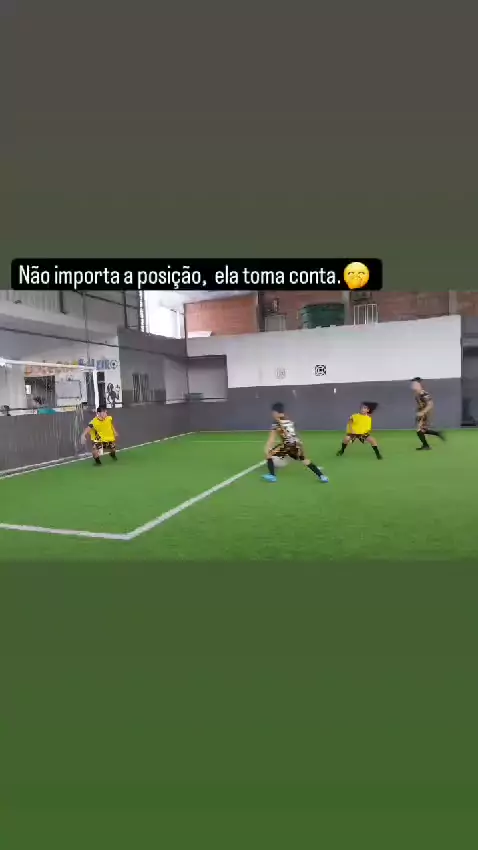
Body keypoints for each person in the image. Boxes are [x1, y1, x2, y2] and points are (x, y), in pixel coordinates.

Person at [263, 402, 329, 483]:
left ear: (275, 412)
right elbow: (294, 433)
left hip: (288, 445)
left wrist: (267, 448)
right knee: (304, 460)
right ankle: (322, 476)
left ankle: (272, 476)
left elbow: (272, 438)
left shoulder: (276, 422)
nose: (272, 414)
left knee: (269, 454)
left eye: (273, 413)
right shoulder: (289, 420)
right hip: (296, 443)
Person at [411, 378, 445, 450]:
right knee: (423, 430)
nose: (413, 386)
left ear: (419, 385)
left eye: (415, 384)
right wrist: (418, 410)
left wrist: (423, 412)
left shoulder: (424, 394)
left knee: (419, 430)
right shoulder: (417, 395)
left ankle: (426, 446)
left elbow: (430, 404)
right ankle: (437, 434)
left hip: (425, 414)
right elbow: (421, 404)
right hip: (421, 413)